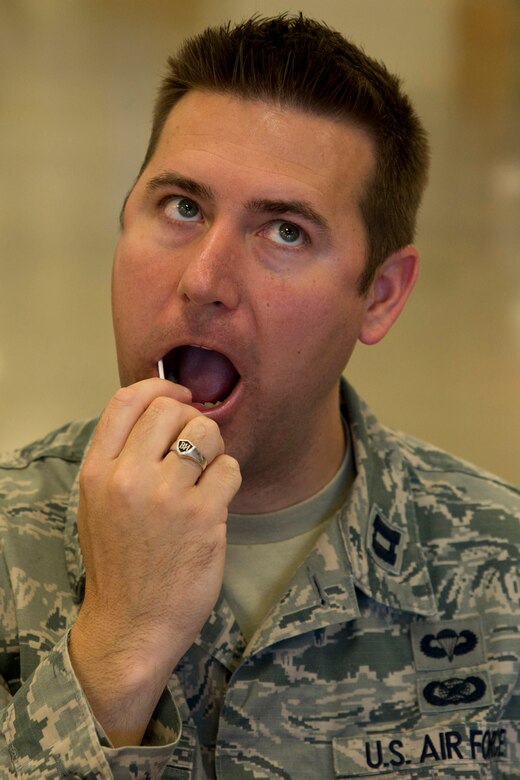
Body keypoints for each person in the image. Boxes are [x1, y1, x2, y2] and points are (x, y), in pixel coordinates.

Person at [0, 13, 518, 779]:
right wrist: (116, 656)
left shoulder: (501, 575)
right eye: (182, 206)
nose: (204, 280)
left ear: (379, 294)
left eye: (283, 232)